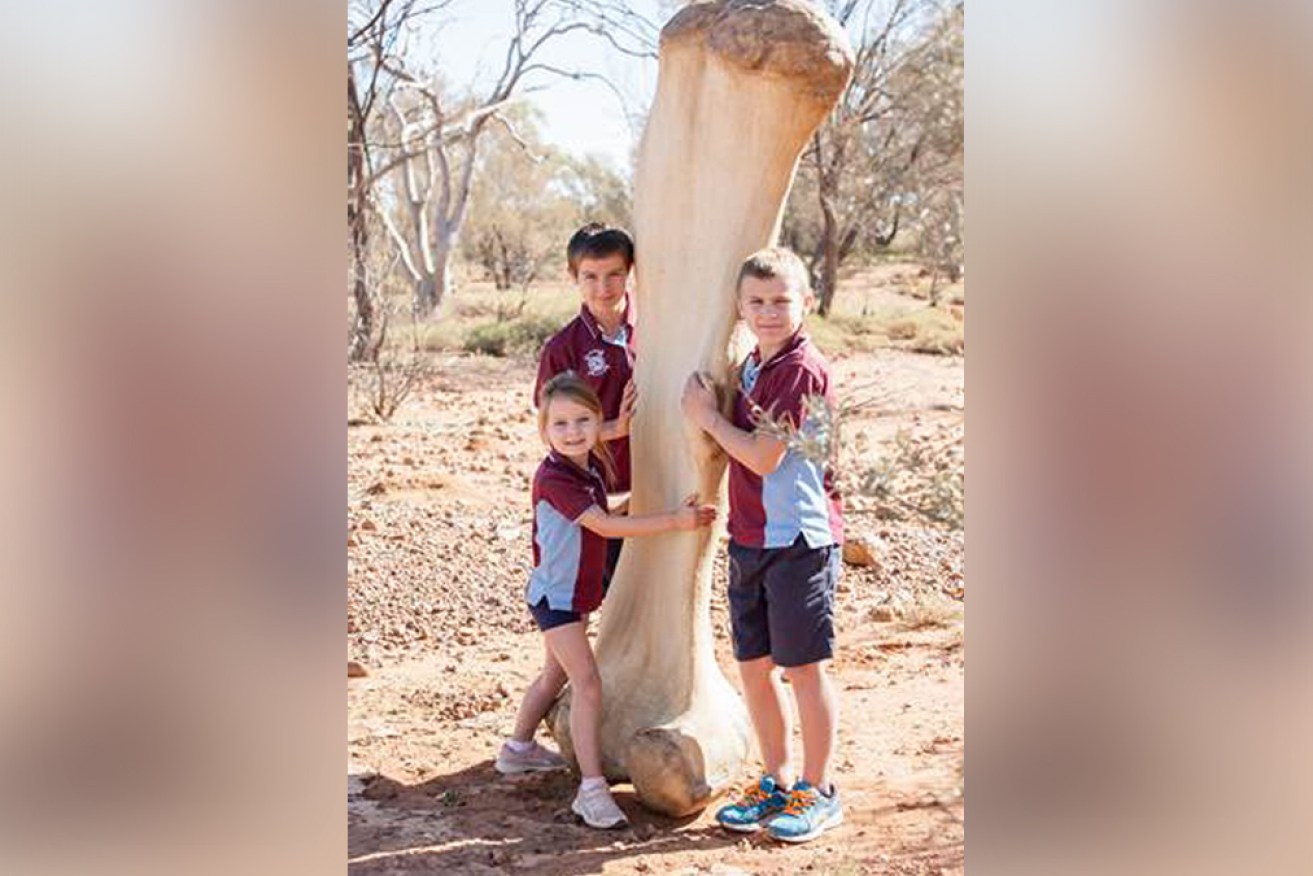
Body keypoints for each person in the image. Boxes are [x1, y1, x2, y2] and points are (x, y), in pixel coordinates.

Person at [497, 374, 716, 829]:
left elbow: (608, 510)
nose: (573, 431)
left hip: (566, 595)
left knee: (552, 675)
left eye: (583, 420)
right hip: (555, 600)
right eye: (560, 424)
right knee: (588, 684)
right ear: (544, 430)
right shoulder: (555, 476)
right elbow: (603, 525)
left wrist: (646, 496)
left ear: (599, 423)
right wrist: (673, 521)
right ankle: (591, 789)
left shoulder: (587, 468)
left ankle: (517, 750)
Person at [680, 247, 845, 843]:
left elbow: (762, 455)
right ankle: (774, 779)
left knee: (803, 668)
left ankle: (819, 788)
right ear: (740, 307)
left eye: (782, 300)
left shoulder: (800, 368)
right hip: (750, 536)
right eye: (758, 302)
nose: (770, 312)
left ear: (806, 301)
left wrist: (706, 417)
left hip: (798, 538)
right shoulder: (751, 365)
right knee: (754, 668)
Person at [534, 223, 638, 592]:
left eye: (615, 275)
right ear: (573, 276)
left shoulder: (657, 330)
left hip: (658, 481)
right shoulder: (564, 348)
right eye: (590, 276)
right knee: (594, 591)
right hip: (599, 494)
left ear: (631, 272)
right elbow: (551, 430)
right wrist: (614, 430)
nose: (603, 287)